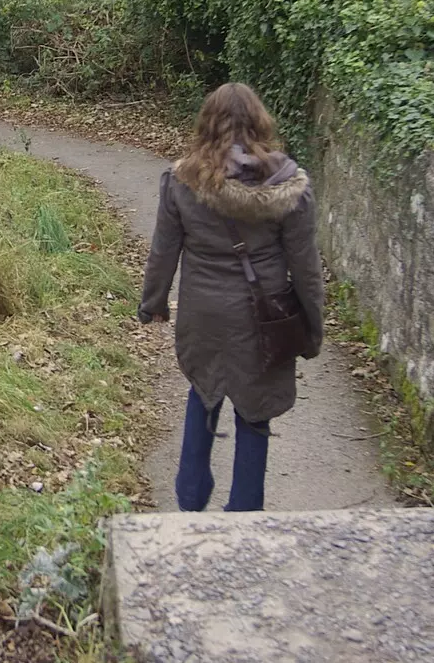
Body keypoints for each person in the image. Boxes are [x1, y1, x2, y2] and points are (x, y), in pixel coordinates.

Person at [137, 82, 324, 512]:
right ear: (260, 122)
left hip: (203, 314)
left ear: (207, 122)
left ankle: (190, 499)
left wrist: (153, 303)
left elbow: (164, 251)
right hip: (265, 320)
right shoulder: (289, 185)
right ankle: (243, 515)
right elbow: (307, 269)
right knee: (255, 414)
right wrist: (312, 328)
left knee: (204, 391)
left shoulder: (182, 179)